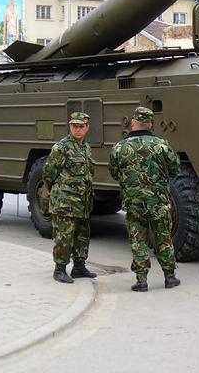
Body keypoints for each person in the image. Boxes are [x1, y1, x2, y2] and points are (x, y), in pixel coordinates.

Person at [108, 107, 181, 292]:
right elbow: (175, 169)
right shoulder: (162, 145)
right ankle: (170, 277)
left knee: (138, 241)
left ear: (133, 123)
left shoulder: (120, 147)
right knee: (163, 239)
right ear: (151, 124)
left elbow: (114, 172)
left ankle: (141, 281)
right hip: (159, 203)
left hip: (134, 204)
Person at [43, 112, 97, 283]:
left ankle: (79, 267)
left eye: (81, 126)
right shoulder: (61, 148)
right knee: (64, 236)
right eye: (74, 126)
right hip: (65, 202)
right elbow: (48, 173)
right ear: (70, 126)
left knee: (82, 235)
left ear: (87, 128)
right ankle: (59, 269)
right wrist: (57, 191)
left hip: (83, 202)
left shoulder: (86, 148)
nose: (77, 129)